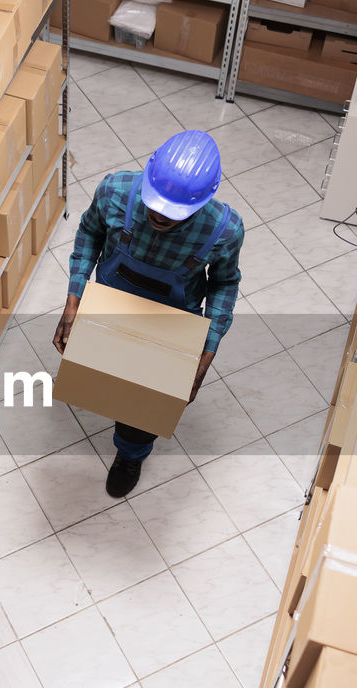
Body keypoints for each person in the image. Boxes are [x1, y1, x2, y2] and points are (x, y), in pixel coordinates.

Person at [53, 129, 244, 498]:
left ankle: (131, 454)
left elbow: (224, 285)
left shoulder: (224, 230)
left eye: (173, 213)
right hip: (112, 308)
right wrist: (73, 300)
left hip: (169, 324)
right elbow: (89, 232)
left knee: (142, 410)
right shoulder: (115, 191)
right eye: (155, 204)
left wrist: (207, 351)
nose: (159, 215)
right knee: (102, 382)